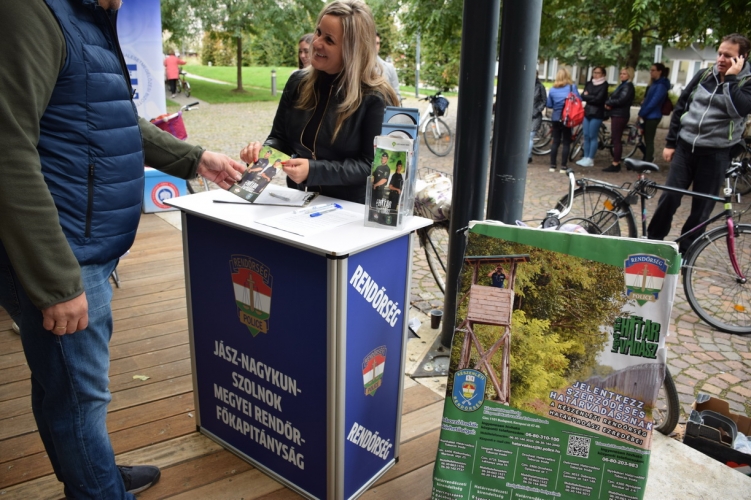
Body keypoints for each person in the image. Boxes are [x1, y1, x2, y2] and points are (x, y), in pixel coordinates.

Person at [0, 1, 246, 498]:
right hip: (64, 255)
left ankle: (93, 475)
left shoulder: (85, 15)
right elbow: (8, 149)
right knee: (79, 399)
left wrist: (195, 158)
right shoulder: (30, 11)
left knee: (60, 386)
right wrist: (55, 280)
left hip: (83, 245)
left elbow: (110, 119)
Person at [240, 0, 399, 204]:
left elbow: (372, 165)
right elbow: (280, 138)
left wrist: (313, 171)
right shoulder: (297, 82)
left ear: (352, 49)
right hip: (298, 200)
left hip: (349, 209)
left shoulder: (376, 97)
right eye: (318, 32)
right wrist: (262, 153)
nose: (316, 43)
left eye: (329, 40)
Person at [647, 34, 751, 254]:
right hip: (685, 148)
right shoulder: (704, 74)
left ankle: (685, 253)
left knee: (701, 209)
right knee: (669, 197)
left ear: (742, 58)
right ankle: (652, 243)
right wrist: (671, 142)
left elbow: (739, 109)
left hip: (716, 154)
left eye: (728, 56)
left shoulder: (746, 82)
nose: (721, 59)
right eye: (719, 53)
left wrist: (730, 80)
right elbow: (681, 106)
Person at [546, 68, 580, 174]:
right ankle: (563, 166)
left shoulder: (553, 89)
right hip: (568, 117)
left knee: (555, 141)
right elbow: (578, 100)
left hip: (556, 117)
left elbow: (549, 104)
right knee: (566, 142)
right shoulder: (572, 87)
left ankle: (552, 165)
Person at [602, 67, 636, 172]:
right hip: (617, 113)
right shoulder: (623, 85)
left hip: (620, 115)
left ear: (629, 75)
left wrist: (609, 103)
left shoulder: (628, 86)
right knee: (616, 138)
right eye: (621, 73)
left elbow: (621, 100)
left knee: (616, 139)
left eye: (624, 74)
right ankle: (616, 162)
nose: (621, 75)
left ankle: (616, 163)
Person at [576, 66, 609, 168]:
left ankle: (590, 158)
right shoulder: (589, 83)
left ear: (603, 74)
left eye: (598, 73)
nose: (595, 75)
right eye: (594, 72)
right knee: (586, 135)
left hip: (597, 112)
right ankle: (585, 156)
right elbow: (583, 96)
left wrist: (589, 96)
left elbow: (599, 99)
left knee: (592, 135)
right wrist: (590, 96)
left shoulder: (604, 85)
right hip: (587, 111)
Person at [638, 63, 671, 162]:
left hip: (653, 116)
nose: (651, 72)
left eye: (653, 70)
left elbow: (653, 102)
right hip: (648, 114)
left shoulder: (661, 86)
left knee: (649, 140)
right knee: (642, 138)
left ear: (659, 72)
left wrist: (642, 113)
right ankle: (647, 157)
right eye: (650, 70)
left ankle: (648, 161)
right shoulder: (655, 84)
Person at [376, 32, 401, 103]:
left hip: (385, 107)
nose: (375, 46)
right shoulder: (358, 67)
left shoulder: (389, 68)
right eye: (372, 43)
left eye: (377, 43)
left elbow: (397, 95)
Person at [528, 71, 547, 163]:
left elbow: (544, 101)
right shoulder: (525, 85)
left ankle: (528, 157)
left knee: (530, 136)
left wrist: (537, 110)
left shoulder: (540, 87)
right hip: (525, 115)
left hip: (535, 116)